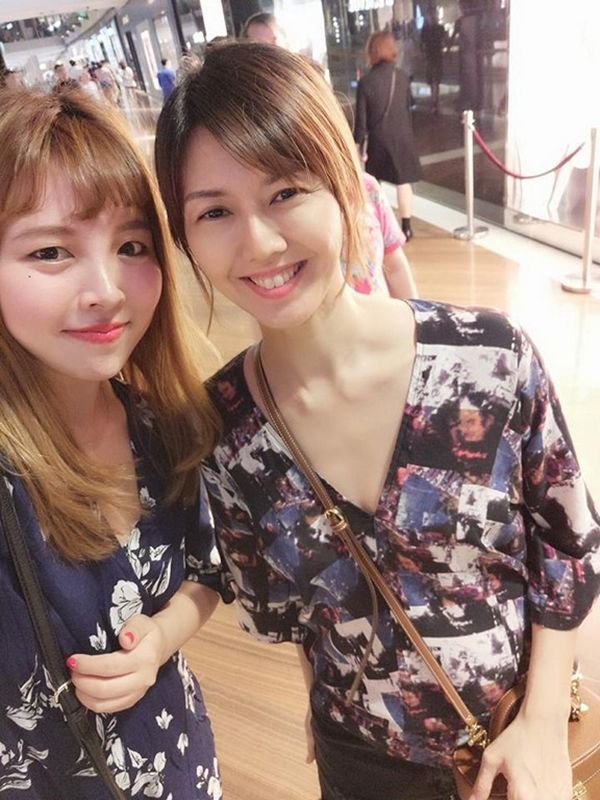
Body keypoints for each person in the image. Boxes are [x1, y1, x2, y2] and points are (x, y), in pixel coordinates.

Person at [155, 42, 600, 800]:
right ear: (186, 236)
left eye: (285, 191)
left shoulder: (488, 358)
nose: (258, 241)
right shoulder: (223, 427)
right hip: (358, 759)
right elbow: (289, 614)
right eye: (216, 211)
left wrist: (544, 719)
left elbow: (568, 544)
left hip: (515, 736)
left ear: (343, 184)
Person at [0, 88, 223, 798]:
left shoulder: (161, 424)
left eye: (131, 246)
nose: (107, 289)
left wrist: (159, 640)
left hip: (181, 760)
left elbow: (207, 573)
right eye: (50, 251)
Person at [354, 31, 423, 242]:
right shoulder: (401, 77)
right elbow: (409, 105)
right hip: (402, 136)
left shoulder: (366, 82)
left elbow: (361, 121)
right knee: (403, 182)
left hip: (379, 140)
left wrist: (358, 146)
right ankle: (406, 227)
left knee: (376, 184)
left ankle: (381, 226)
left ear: (372, 52)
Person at [421, 10, 446, 113]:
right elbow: (444, 41)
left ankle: (434, 99)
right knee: (435, 78)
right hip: (436, 55)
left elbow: (422, 44)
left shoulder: (425, 30)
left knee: (432, 78)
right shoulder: (439, 28)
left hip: (431, 55)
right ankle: (435, 99)